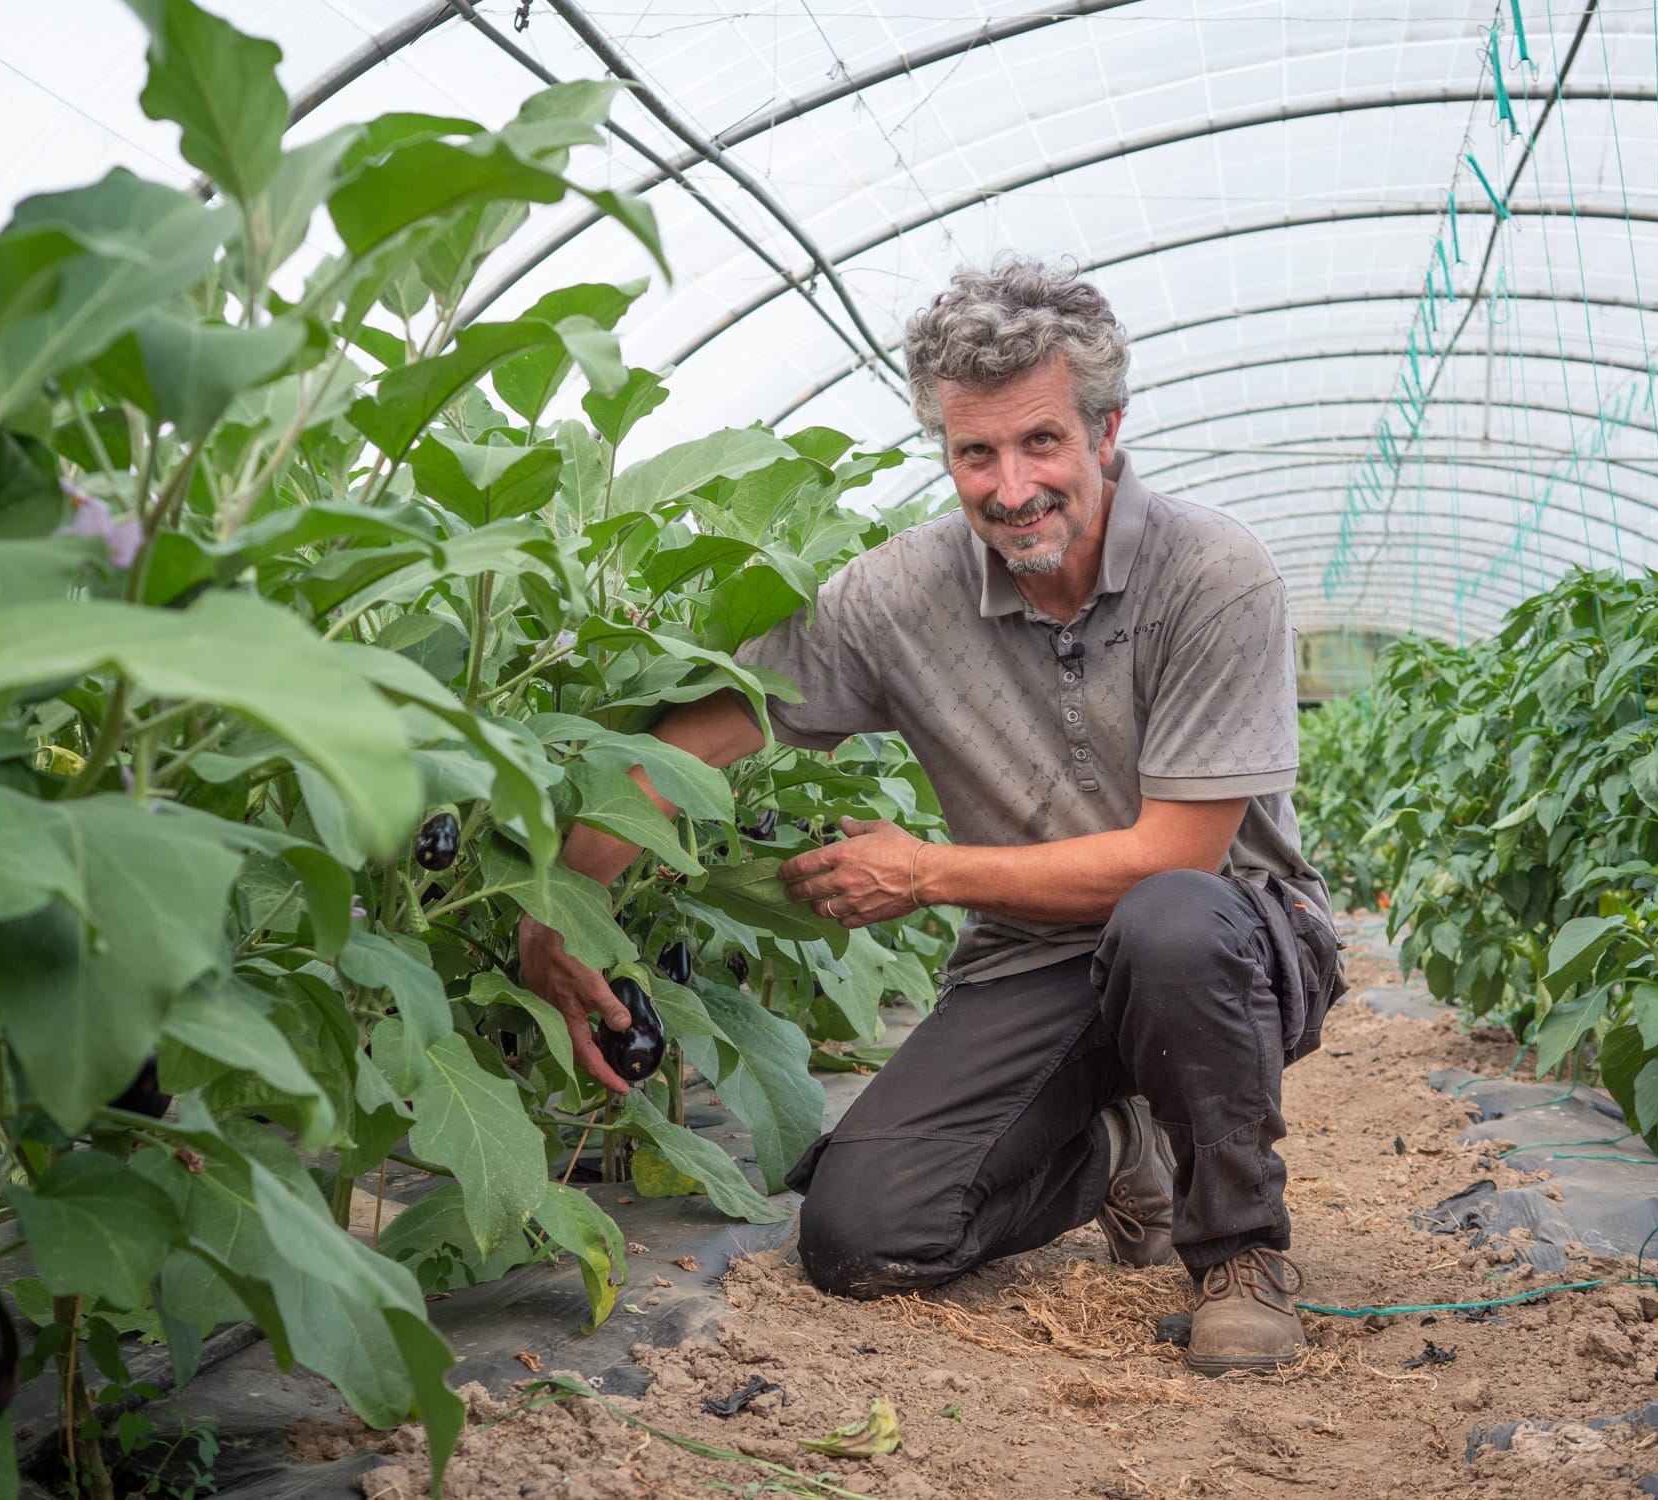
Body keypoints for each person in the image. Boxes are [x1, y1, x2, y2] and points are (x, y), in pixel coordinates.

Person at [517, 254, 1344, 1376]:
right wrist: (562, 901)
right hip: (1031, 961)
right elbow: (705, 736)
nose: (1008, 489)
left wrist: (924, 874)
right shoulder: (898, 595)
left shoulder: (1213, 574)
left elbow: (1173, 856)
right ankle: (1110, 1150)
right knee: (863, 1233)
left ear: (1104, 432)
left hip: (1230, 946)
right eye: (974, 452)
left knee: (1169, 921)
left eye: (1039, 442)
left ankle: (1236, 1252)